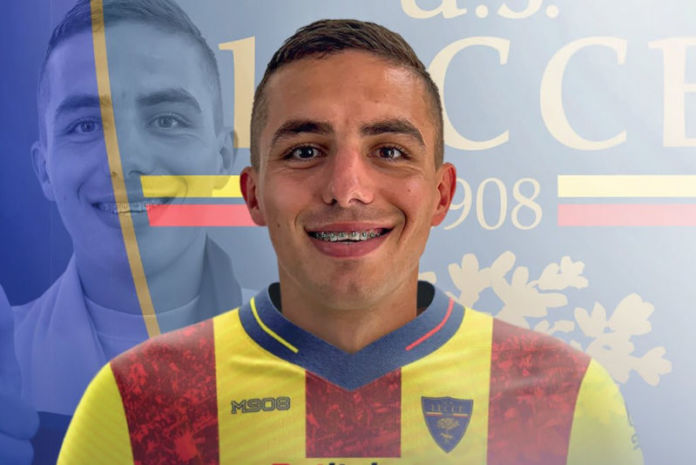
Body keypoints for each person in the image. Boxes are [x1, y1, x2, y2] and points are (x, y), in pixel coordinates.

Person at [58, 19, 643, 464]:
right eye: (304, 151)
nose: (346, 189)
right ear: (253, 195)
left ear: (441, 194)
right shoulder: (134, 401)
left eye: (389, 151)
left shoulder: (566, 396)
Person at [3, 0, 251, 463]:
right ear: (44, 170)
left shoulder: (321, 348)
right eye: (85, 125)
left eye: (167, 120)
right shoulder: (5, 364)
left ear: (222, 159)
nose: (124, 159)